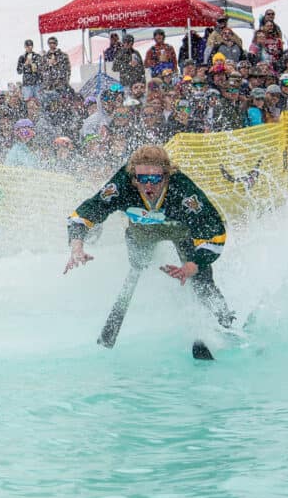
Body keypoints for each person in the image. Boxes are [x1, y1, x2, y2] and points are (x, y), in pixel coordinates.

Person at [63, 143, 233, 350]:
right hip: (142, 230)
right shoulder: (122, 185)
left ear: (167, 175)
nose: (149, 186)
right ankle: (128, 290)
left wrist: (194, 265)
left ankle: (227, 324)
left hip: (180, 230)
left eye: (155, 179)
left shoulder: (184, 191)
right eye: (143, 179)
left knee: (200, 280)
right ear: (134, 177)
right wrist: (77, 247)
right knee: (137, 265)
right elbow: (87, 212)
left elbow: (213, 231)